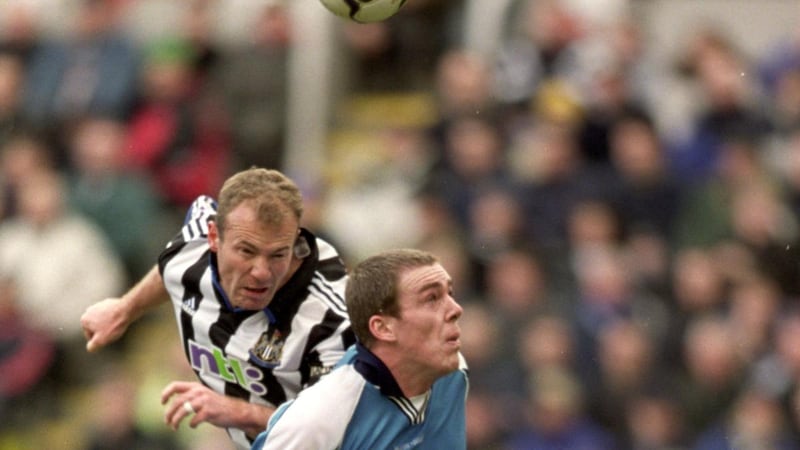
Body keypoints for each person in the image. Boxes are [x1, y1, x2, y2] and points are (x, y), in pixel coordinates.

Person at [80, 167, 355, 449]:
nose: (262, 272)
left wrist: (236, 411)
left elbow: (326, 430)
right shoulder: (192, 246)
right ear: (213, 238)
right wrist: (124, 309)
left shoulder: (332, 321)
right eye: (247, 251)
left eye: (277, 255)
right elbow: (173, 266)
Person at [251, 248, 468, 450]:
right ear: (382, 328)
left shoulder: (453, 374)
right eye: (431, 298)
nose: (456, 309)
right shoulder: (319, 417)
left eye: (450, 293)